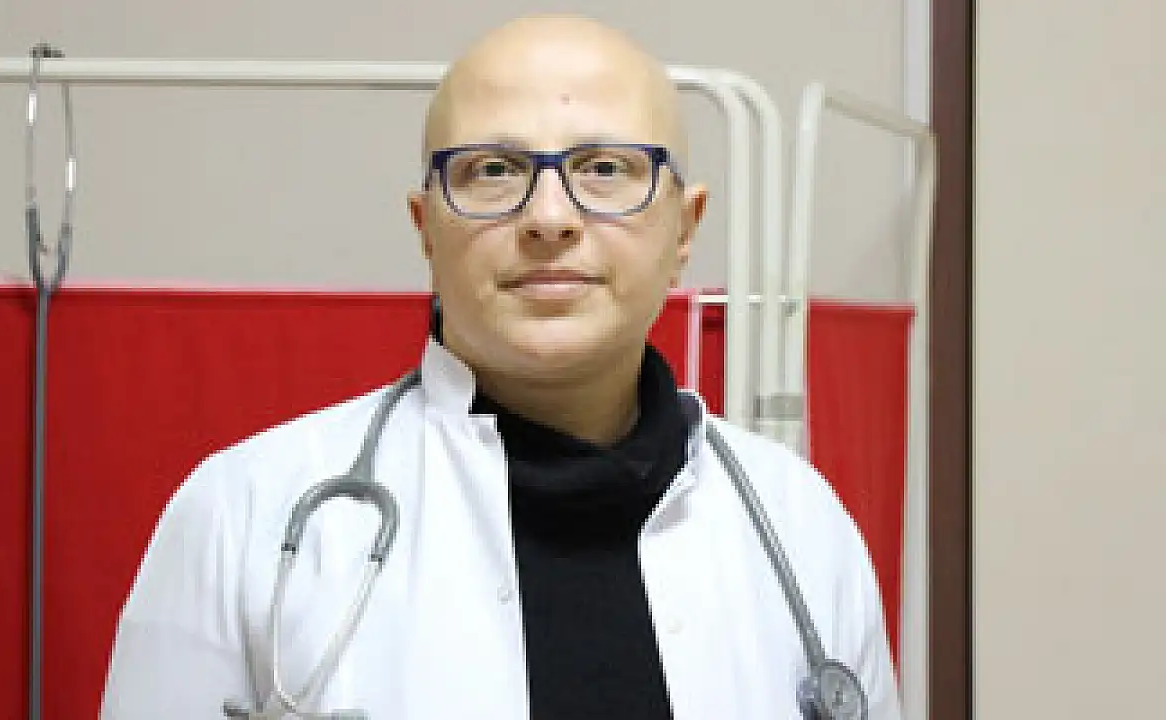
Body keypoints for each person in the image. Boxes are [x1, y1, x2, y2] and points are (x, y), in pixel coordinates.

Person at [99, 14, 901, 719]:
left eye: (605, 169)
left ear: (684, 230)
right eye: (493, 170)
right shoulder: (245, 517)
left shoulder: (800, 526)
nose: (549, 217)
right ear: (425, 227)